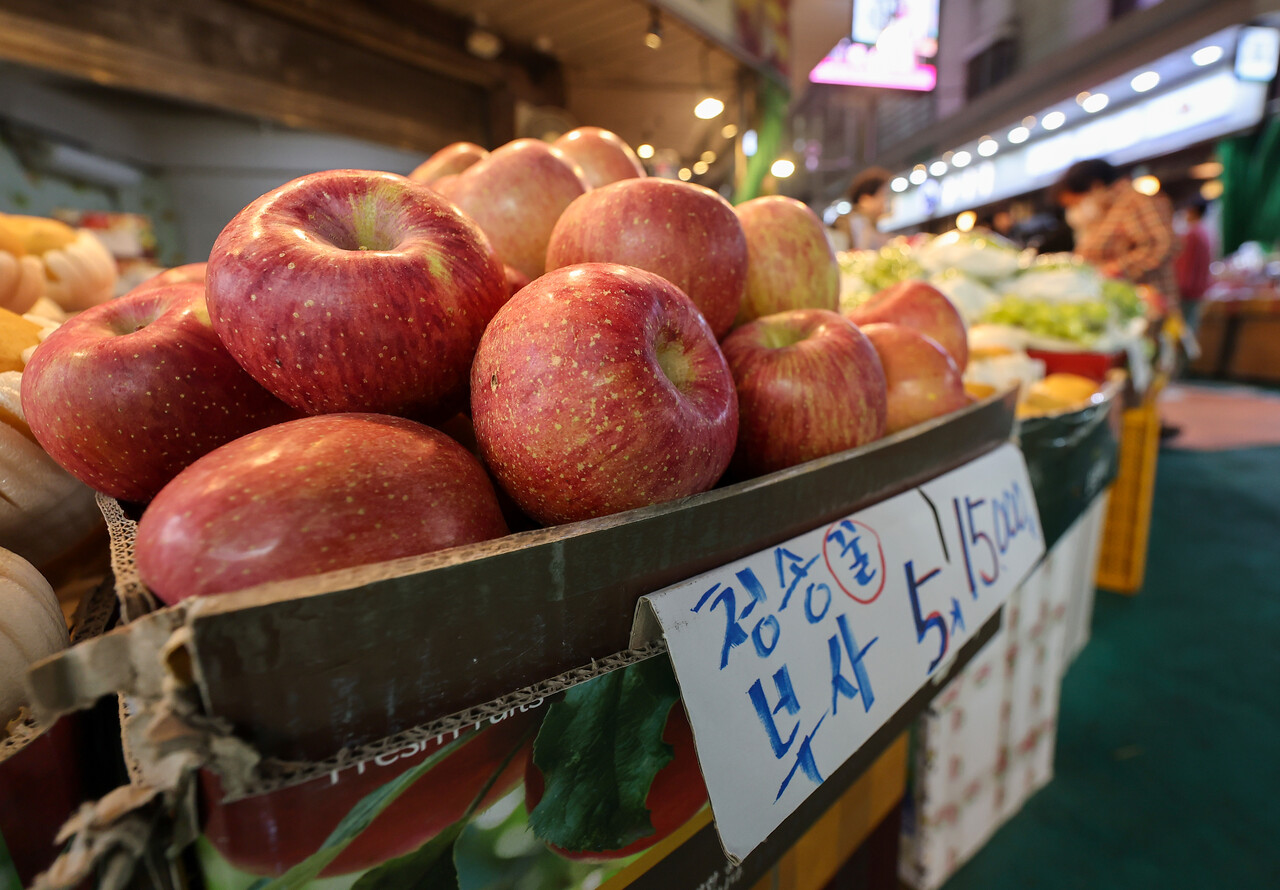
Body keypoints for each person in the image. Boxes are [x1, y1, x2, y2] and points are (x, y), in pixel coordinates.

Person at [1052, 158, 1178, 300]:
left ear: (1096, 186)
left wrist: (1113, 270)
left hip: (1149, 300)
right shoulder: (1107, 209)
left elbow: (1161, 245)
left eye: (1077, 202)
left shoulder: (1135, 202)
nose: (1076, 209)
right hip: (1123, 300)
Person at [1173, 198, 1212, 331]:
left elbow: (1185, 264)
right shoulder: (1204, 232)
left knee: (1182, 331)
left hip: (1187, 291)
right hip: (1197, 290)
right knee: (1189, 328)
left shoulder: (1192, 234)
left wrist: (1179, 288)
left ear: (1192, 211)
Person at [840, 166, 893, 251]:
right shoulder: (855, 225)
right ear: (865, 200)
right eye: (882, 195)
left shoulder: (868, 225)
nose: (884, 202)